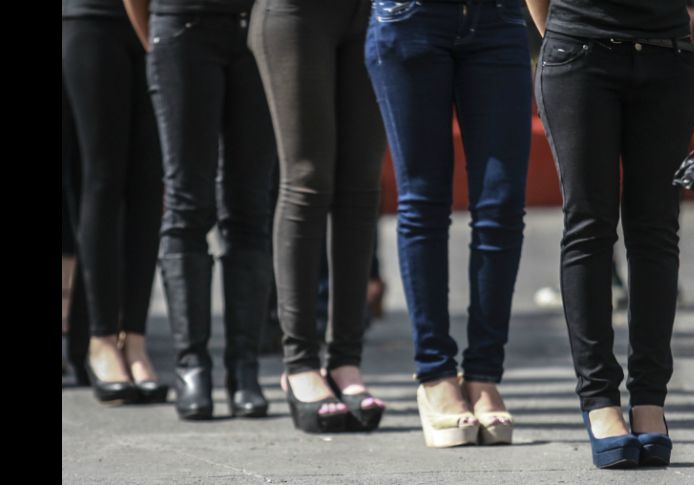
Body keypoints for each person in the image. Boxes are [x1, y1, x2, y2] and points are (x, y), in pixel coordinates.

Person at [526, 0, 694, 468]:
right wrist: (562, 33)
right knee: (589, 227)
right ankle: (599, 400)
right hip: (579, 50)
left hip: (668, 52)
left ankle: (650, 400)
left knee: (657, 230)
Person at [365, 0, 533, 447]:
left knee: (501, 204)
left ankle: (484, 374)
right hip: (410, 16)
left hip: (498, 18)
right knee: (424, 201)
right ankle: (435, 373)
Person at [123, 0, 277, 420]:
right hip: (181, 26)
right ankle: (191, 367)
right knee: (187, 204)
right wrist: (157, 42)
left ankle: (244, 370)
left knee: (250, 206)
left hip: (257, 28)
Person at [250, 0, 387, 433]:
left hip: (371, 11)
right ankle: (300, 364)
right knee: (307, 182)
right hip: (296, 12)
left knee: (361, 188)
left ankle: (346, 361)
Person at [62, 0, 166, 404]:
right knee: (102, 179)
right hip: (90, 18)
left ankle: (135, 340)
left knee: (148, 186)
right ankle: (101, 339)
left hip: (163, 22)